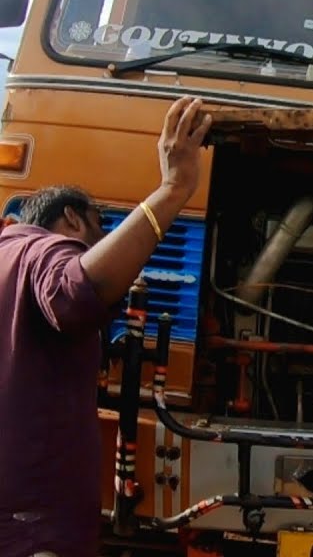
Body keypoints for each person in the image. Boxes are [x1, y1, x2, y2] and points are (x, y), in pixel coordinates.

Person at [0, 97, 211, 557]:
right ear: (72, 218)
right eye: (101, 226)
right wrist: (173, 189)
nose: (104, 241)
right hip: (33, 531)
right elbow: (73, 296)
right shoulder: (40, 250)